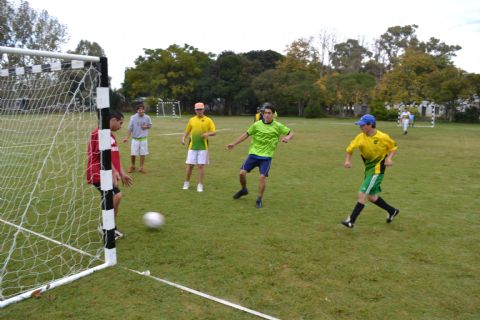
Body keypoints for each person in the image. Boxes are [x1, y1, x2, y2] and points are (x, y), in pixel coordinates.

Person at [227, 103, 294, 208]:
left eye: (269, 113)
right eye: (265, 113)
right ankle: (244, 189)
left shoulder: (278, 126)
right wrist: (234, 143)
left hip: (266, 157)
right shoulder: (257, 125)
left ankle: (259, 199)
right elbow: (246, 134)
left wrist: (288, 138)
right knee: (241, 174)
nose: (266, 115)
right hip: (253, 154)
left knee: (262, 177)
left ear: (273, 114)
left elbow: (291, 133)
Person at [341, 114, 399, 228]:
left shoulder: (383, 137)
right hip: (368, 169)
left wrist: (389, 158)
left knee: (362, 193)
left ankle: (351, 221)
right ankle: (392, 211)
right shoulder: (360, 137)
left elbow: (393, 147)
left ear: (370, 125)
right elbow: (349, 149)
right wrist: (347, 160)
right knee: (371, 197)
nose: (360, 127)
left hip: (377, 170)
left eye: (362, 125)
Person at [87, 110, 133, 239]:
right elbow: (103, 154)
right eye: (120, 123)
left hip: (106, 173)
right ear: (112, 120)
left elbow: (114, 157)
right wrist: (113, 171)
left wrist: (122, 173)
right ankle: (106, 227)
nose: (121, 126)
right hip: (98, 172)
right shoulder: (99, 133)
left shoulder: (110, 136)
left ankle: (110, 227)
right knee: (116, 196)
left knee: (112, 197)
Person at [181, 102, 216, 192]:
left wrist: (207, 133)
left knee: (201, 166)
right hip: (192, 147)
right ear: (195, 110)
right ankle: (186, 183)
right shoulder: (191, 120)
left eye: (201, 109)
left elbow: (214, 132)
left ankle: (200, 185)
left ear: (203, 110)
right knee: (190, 166)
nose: (199, 111)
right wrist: (183, 138)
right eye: (197, 109)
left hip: (203, 147)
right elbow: (187, 131)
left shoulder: (208, 120)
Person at [123, 105, 152, 173]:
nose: (141, 111)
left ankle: (141, 168)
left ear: (144, 110)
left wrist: (146, 127)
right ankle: (133, 166)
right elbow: (130, 128)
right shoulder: (133, 118)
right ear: (137, 110)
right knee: (133, 153)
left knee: (143, 153)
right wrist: (127, 138)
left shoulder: (147, 117)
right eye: (139, 110)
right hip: (135, 139)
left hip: (143, 139)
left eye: (142, 110)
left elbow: (150, 125)